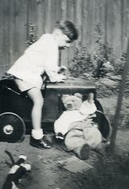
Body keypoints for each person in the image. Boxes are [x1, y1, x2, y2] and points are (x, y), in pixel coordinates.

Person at [7, 20, 78, 149]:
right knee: (38, 101)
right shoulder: (52, 44)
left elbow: (44, 62)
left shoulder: (47, 39)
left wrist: (57, 70)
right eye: (67, 41)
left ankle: (40, 125)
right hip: (25, 75)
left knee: (39, 98)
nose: (68, 46)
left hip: (25, 72)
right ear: (58, 34)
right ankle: (36, 137)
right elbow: (49, 69)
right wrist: (57, 76)